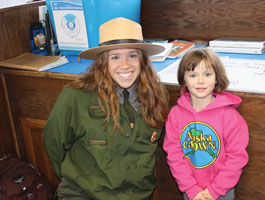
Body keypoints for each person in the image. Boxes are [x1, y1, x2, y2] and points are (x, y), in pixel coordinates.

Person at [43, 17, 169, 200]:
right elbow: (54, 144)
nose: (125, 65)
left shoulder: (155, 95)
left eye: (132, 55)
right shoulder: (75, 97)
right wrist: (79, 178)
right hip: (84, 193)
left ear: (142, 60)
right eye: (115, 57)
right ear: (103, 61)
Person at [163, 48, 249, 200]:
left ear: (217, 78)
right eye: (193, 75)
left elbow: (237, 158)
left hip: (222, 190)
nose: (200, 81)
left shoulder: (230, 117)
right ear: (184, 79)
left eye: (207, 74)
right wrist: (191, 189)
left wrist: (215, 190)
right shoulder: (176, 115)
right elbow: (174, 156)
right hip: (190, 190)